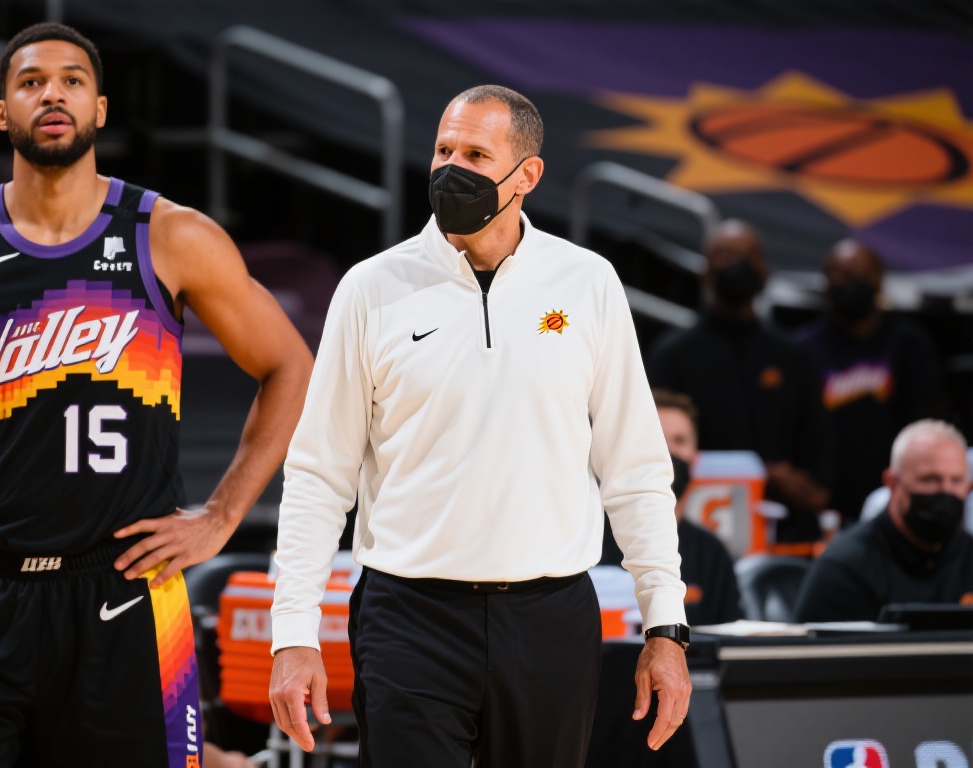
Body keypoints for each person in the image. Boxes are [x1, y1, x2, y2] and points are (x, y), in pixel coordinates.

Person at [268, 84, 691, 767]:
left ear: (528, 175)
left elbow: (635, 469)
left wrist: (665, 625)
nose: (449, 168)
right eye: (443, 149)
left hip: (551, 618)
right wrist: (293, 632)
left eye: (474, 154)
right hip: (408, 617)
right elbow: (319, 473)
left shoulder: (588, 283)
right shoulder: (372, 288)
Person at [0, 22, 313, 767]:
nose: (53, 94)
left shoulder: (169, 236)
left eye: (72, 80)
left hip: (129, 593)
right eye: (31, 82)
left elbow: (291, 367)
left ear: (101, 108)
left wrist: (221, 516)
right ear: (3, 114)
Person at [646, 219, 833, 543]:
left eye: (748, 256)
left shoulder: (794, 357)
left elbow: (819, 447)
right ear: (705, 272)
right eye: (725, 254)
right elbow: (661, 449)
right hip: (697, 524)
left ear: (764, 272)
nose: (737, 264)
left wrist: (811, 488)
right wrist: (759, 474)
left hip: (785, 525)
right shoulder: (672, 355)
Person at [795, 238, 941, 526]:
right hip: (824, 503)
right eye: (842, 274)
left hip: (895, 495)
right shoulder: (803, 348)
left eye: (862, 274)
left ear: (879, 281)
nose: (852, 283)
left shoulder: (909, 343)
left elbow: (926, 421)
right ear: (825, 282)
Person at [794, 419, 973, 623]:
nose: (945, 492)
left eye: (956, 481)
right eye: (929, 479)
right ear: (892, 483)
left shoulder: (968, 557)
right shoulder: (846, 568)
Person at [601, 389, 742, 625]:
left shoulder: (710, 552)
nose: (668, 452)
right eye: (656, 439)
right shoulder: (593, 542)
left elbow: (728, 634)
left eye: (680, 441)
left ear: (696, 456)